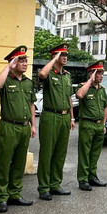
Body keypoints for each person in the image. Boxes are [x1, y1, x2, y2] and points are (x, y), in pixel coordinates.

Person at [0, 46, 36, 213]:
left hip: (24, 127)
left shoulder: (28, 82)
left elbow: (31, 104)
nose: (24, 63)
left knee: (19, 162)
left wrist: (33, 125)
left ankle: (14, 193)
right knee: (4, 163)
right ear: (13, 62)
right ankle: (1, 197)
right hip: (8, 126)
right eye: (20, 60)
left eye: (25, 60)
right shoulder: (5, 80)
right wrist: (8, 67)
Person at [37, 42, 75, 200]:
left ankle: (55, 184)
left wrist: (72, 117)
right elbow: (41, 75)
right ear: (54, 56)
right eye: (62, 55)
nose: (65, 57)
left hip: (64, 117)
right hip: (50, 116)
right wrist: (53, 60)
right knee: (47, 153)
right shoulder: (49, 73)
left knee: (60, 153)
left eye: (66, 55)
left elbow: (69, 98)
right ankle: (44, 187)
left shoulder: (66, 75)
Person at [75, 61, 107, 190]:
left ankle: (92, 177)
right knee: (85, 153)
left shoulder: (102, 90)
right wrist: (90, 81)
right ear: (92, 73)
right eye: (98, 73)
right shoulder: (83, 87)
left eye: (102, 73)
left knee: (95, 153)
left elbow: (105, 107)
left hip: (99, 125)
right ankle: (83, 179)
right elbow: (79, 95)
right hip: (87, 124)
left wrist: (104, 123)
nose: (101, 76)